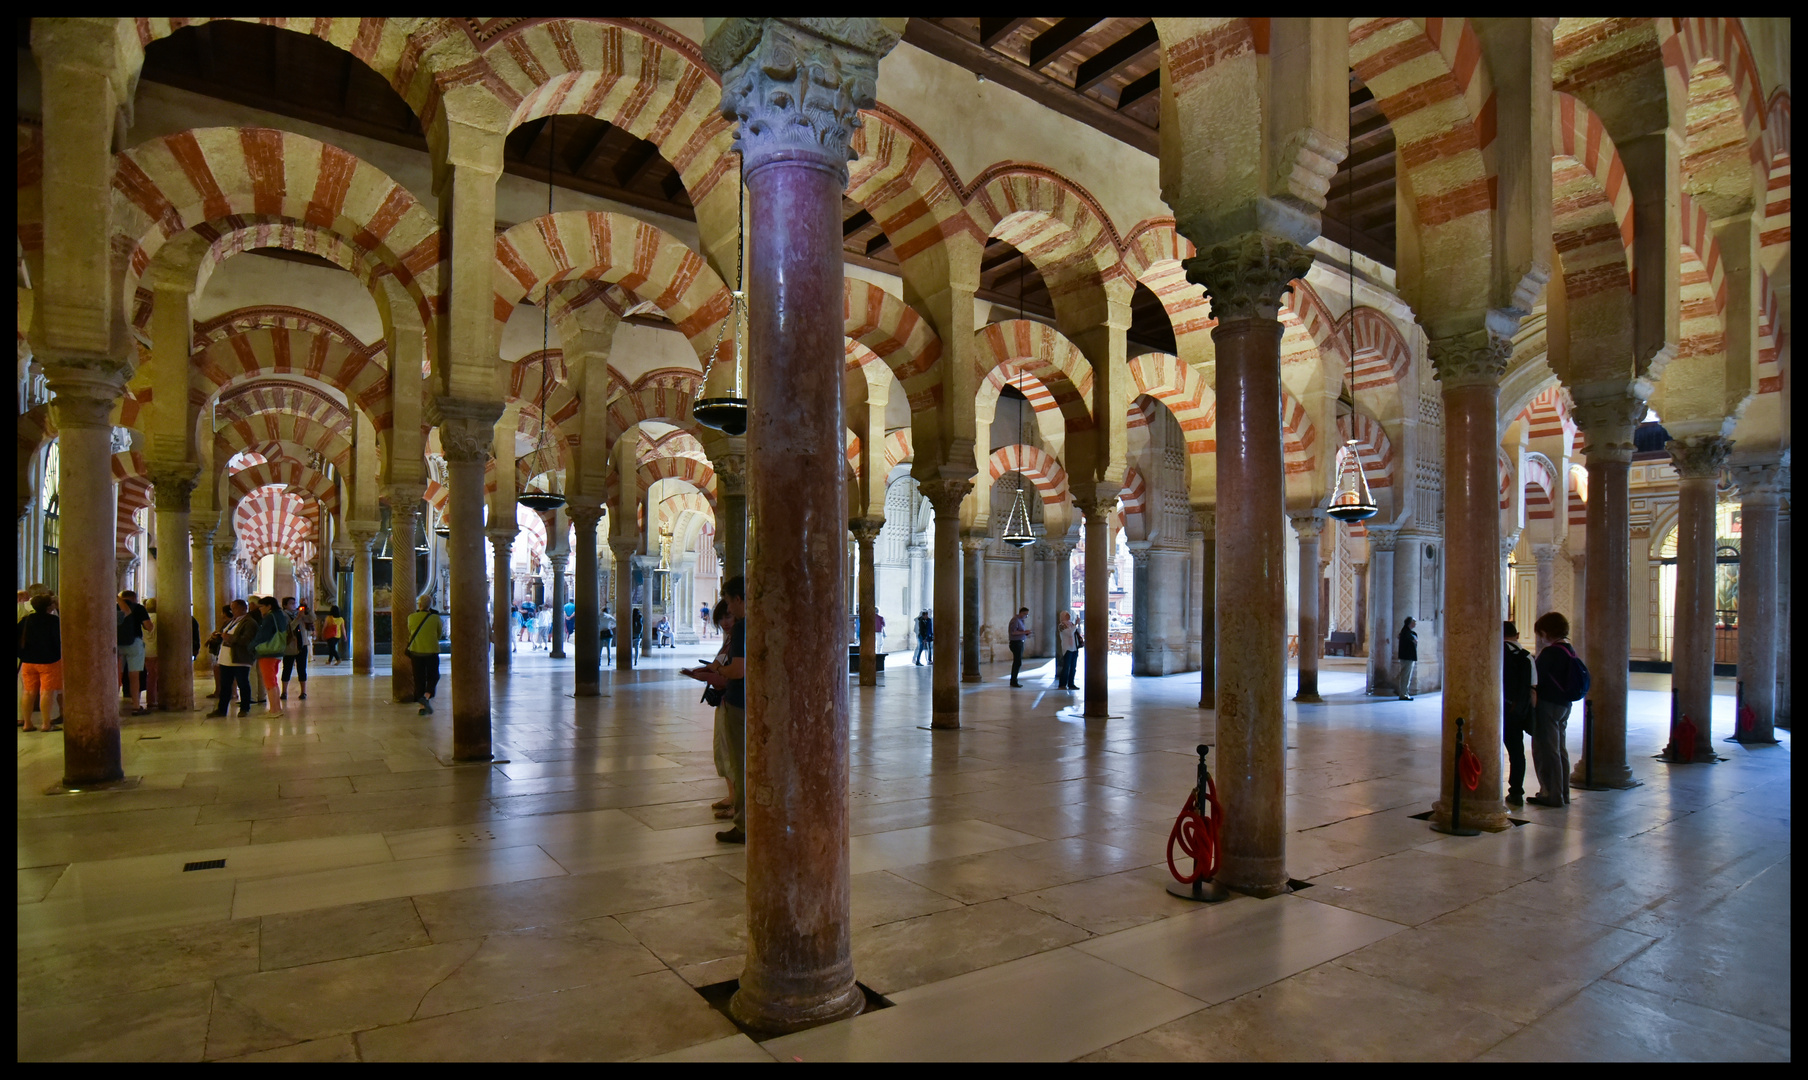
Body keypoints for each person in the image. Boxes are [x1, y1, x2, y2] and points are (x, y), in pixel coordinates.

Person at [689, 575, 745, 845]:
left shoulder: (743, 631)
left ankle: (743, 820)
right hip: (729, 701)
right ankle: (737, 804)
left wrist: (717, 672)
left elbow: (736, 670)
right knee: (728, 753)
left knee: (738, 758)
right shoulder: (734, 637)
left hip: (736, 701)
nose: (728, 615)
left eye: (729, 606)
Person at [1530, 612, 1583, 808]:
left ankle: (1551, 794)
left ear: (1546, 632)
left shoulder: (1551, 653)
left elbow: (1536, 680)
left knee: (1546, 750)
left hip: (1548, 705)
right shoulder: (1569, 649)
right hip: (1563, 705)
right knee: (1560, 749)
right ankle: (1563, 793)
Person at [17, 593, 63, 732]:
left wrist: (22, 655)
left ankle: (27, 723)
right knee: (46, 692)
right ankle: (46, 724)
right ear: (49, 607)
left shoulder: (25, 620)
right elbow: (58, 640)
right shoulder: (54, 621)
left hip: (28, 661)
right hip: (49, 661)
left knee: (28, 692)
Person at [1502, 621, 1535, 806]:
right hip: (1514, 712)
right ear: (1518, 634)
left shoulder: (1494, 653)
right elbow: (1532, 689)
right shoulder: (1526, 657)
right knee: (1516, 752)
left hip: (1493, 709)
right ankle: (1516, 792)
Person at [207, 599, 257, 718]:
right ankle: (222, 709)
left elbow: (247, 640)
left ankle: (245, 708)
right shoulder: (231, 621)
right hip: (226, 659)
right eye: (231, 608)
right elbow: (223, 635)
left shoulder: (249, 622)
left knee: (243, 683)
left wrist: (229, 637)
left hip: (239, 658)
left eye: (234, 608)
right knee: (225, 685)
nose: (232, 611)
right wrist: (217, 636)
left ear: (243, 608)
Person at [250, 596, 288, 716]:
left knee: (269, 681)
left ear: (269, 606)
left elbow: (263, 635)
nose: (260, 609)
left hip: (267, 652)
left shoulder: (270, 617)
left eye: (261, 606)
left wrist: (251, 646)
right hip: (277, 651)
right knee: (273, 680)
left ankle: (274, 710)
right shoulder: (280, 615)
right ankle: (277, 708)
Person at [116, 589, 152, 715]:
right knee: (134, 676)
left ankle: (112, 705)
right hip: (134, 643)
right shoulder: (139, 608)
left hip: (117, 644)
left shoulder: (114, 607)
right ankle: (136, 705)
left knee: (117, 675)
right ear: (134, 598)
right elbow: (148, 627)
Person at [406, 594, 443, 715]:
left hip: (416, 652)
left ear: (419, 605)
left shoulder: (411, 617)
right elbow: (439, 635)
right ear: (430, 606)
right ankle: (426, 696)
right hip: (431, 651)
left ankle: (422, 707)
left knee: (419, 678)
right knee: (434, 676)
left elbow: (410, 631)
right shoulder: (436, 618)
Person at [280, 596, 312, 700]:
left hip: (302, 644)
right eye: (291, 603)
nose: (293, 605)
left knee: (302, 668)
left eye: (295, 603)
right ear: (285, 605)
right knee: (287, 668)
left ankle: (304, 691)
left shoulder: (300, 613)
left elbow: (312, 618)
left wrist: (306, 607)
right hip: (290, 646)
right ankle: (284, 691)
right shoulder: (283, 615)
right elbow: (288, 629)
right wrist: (297, 619)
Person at [141, 597, 160, 710]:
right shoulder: (159, 618)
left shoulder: (144, 619)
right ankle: (153, 699)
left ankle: (151, 699)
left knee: (150, 675)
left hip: (145, 650)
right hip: (155, 650)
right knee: (154, 676)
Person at [1055, 610, 1078, 690]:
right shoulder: (1061, 625)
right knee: (1066, 667)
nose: (1068, 617)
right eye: (1066, 615)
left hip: (1074, 648)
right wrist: (1076, 625)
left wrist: (1075, 625)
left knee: (1073, 667)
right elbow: (1070, 633)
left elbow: (1075, 633)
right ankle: (1062, 684)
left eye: (1069, 615)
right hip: (1067, 648)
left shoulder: (1071, 624)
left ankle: (1071, 684)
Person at [1008, 606, 1030, 687]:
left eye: (1027, 615)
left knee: (1018, 662)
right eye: (1025, 614)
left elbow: (1019, 631)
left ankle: (1014, 680)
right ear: (1021, 613)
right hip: (1016, 643)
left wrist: (1025, 633)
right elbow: (1013, 632)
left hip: (1019, 642)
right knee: (1017, 662)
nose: (1026, 616)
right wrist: (1024, 632)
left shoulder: (1020, 620)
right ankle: (1013, 681)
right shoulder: (1015, 620)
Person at [1396, 616, 1418, 701]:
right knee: (1405, 676)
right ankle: (1403, 694)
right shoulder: (1406, 632)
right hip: (1407, 657)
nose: (1415, 624)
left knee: (1406, 676)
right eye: (1413, 622)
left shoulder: (1407, 632)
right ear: (1409, 623)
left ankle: (1405, 693)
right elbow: (1413, 641)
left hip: (1408, 657)